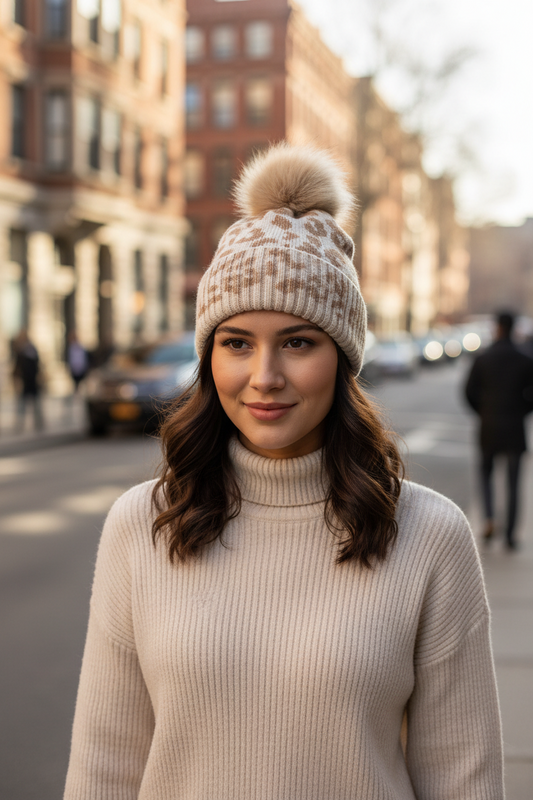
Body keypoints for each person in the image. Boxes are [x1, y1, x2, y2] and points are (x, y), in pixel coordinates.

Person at [65, 143, 503, 799]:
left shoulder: (429, 535)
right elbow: (103, 769)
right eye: (236, 343)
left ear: (343, 358)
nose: (263, 378)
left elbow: (461, 780)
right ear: (209, 357)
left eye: (297, 342)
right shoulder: (142, 523)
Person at [465, 311, 533, 550]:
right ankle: (511, 535)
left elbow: (469, 392)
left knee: (486, 475)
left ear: (497, 328)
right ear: (514, 328)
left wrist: (483, 411)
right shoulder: (524, 359)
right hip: (515, 428)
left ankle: (489, 519)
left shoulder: (484, 358)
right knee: (514, 483)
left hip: (489, 426)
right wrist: (522, 411)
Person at [12, 329, 44, 432]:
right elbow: (17, 368)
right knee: (23, 404)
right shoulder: (20, 351)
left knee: (35, 403)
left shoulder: (32, 349)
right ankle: (20, 425)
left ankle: (39, 423)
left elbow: (37, 365)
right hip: (24, 381)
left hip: (33, 380)